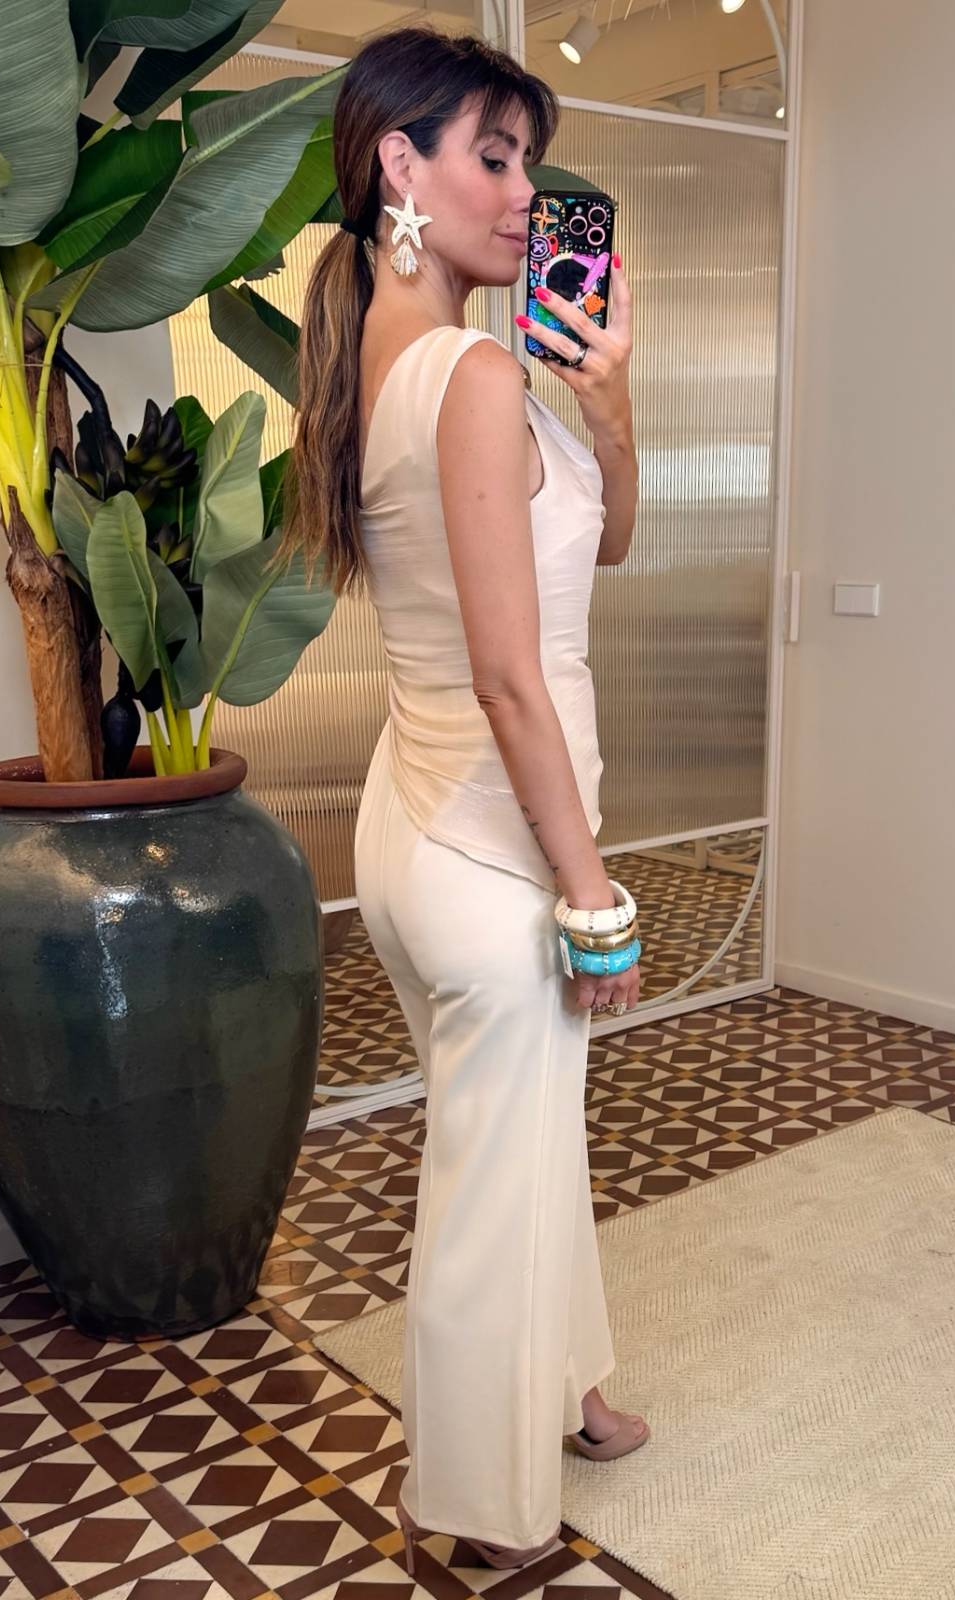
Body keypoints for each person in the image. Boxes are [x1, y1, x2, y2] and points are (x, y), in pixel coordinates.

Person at [281, 25, 649, 1574]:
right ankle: (474, 1508)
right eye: (491, 158)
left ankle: (573, 1393)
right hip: (493, 848)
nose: (523, 194)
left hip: (419, 821)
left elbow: (605, 540)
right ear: (400, 166)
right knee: (493, 1179)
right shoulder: (473, 373)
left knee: (520, 1139)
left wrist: (609, 404)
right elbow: (510, 675)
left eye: (528, 162)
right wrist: (591, 893)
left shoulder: (395, 359)